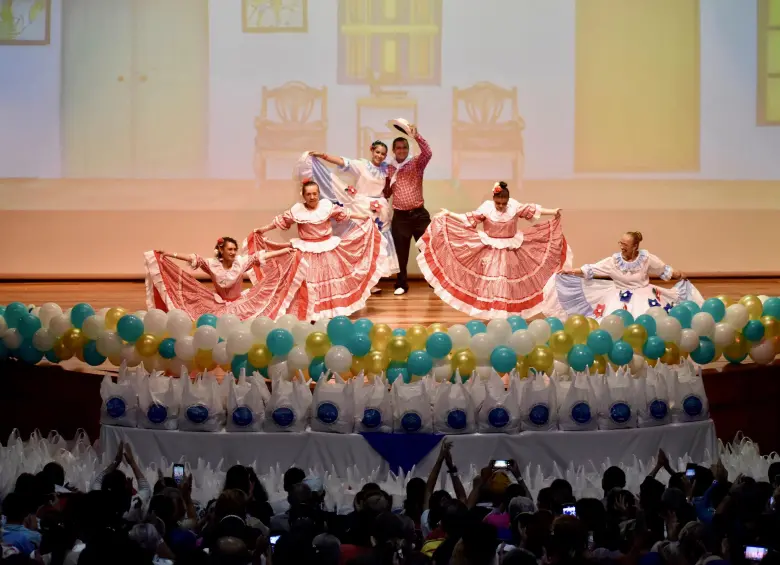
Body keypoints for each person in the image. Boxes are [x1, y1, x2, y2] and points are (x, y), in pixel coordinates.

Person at [417, 181, 571, 318]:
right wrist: (450, 214)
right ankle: (494, 313)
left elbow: (533, 210)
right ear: (494, 200)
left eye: (504, 203)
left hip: (512, 249)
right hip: (491, 249)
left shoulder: (514, 207)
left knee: (508, 281)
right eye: (499, 203)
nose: (501, 207)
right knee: (492, 280)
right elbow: (469, 217)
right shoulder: (487, 208)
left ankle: (506, 312)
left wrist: (552, 211)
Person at [246, 179, 386, 321]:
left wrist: (364, 217)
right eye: (309, 194)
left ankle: (331, 312)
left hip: (328, 248)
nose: (312, 197)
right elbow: (281, 221)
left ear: (318, 194)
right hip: (306, 250)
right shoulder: (297, 210)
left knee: (331, 282)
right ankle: (312, 311)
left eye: (315, 194)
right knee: (309, 281)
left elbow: (344, 213)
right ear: (303, 195)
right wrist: (262, 229)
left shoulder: (326, 206)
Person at [299, 140, 400, 288]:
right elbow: (342, 161)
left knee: (378, 245)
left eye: (383, 154)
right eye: (377, 152)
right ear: (372, 151)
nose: (380, 156)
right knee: (362, 244)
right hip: (362, 207)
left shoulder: (387, 169)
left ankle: (372, 282)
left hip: (380, 209)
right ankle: (361, 281)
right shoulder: (362, 165)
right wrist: (323, 156)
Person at [542, 231, 703, 320]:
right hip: (619, 297)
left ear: (635, 246)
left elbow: (663, 269)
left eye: (625, 245)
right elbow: (593, 268)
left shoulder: (646, 258)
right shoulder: (614, 261)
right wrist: (571, 271)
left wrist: (678, 274)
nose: (621, 247)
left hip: (645, 295)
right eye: (621, 243)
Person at [145, 235, 304, 321]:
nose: (233, 252)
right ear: (221, 250)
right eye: (230, 249)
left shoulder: (241, 262)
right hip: (218, 305)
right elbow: (191, 258)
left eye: (235, 249)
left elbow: (263, 256)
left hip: (241, 304)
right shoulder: (211, 264)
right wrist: (168, 254)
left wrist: (284, 251)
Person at [382, 120, 433, 296]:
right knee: (401, 253)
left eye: (404, 147)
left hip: (419, 215)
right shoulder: (388, 169)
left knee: (427, 250)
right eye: (398, 148)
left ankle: (435, 282)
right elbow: (386, 191)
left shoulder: (416, 163)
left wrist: (416, 135)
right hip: (400, 217)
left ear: (407, 148)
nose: (402, 150)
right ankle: (401, 283)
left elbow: (428, 152)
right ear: (394, 151)